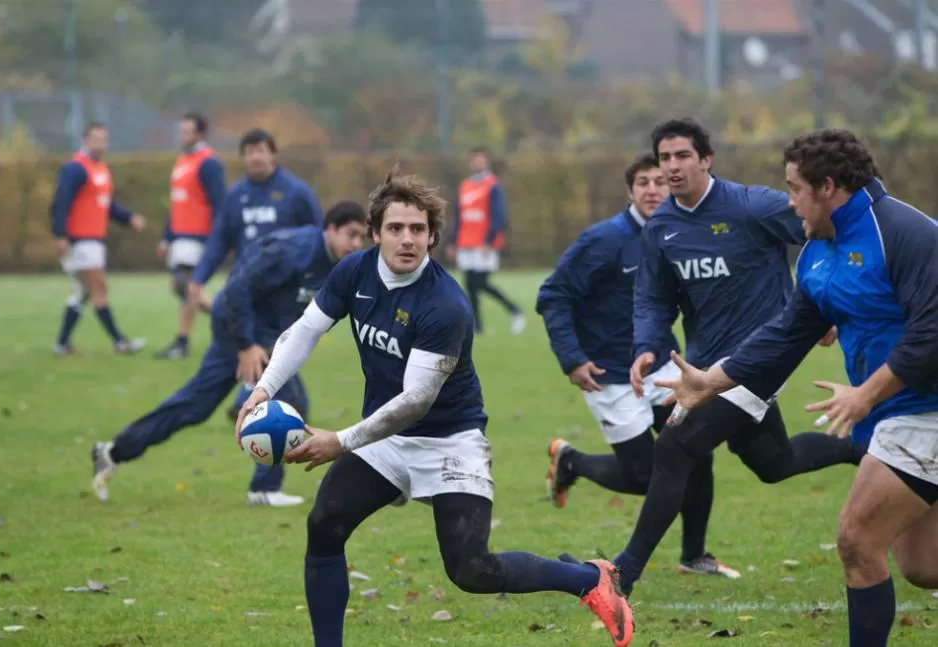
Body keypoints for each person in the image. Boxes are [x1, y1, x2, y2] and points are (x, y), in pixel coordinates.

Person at [237, 168, 635, 647]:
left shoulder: (446, 304)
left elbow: (415, 402)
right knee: (325, 525)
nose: (407, 239)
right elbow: (304, 330)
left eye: (418, 230)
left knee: (471, 570)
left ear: (433, 237)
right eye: (396, 228)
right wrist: (264, 389)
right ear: (375, 232)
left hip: (449, 442)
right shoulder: (353, 272)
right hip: (383, 439)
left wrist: (339, 442)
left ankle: (589, 580)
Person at [654, 128, 938, 647]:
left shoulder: (903, 233)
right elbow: (785, 335)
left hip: (926, 410)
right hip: (896, 414)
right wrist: (711, 382)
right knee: (923, 567)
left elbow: (930, 336)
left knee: (856, 539)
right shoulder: (815, 251)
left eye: (793, 189)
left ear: (827, 186)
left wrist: (865, 394)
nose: (789, 202)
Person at [596, 118, 864, 608]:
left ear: (705, 159)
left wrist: (824, 304)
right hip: (704, 368)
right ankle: (864, 447)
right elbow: (655, 300)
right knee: (774, 463)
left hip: (760, 359)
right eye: (664, 158)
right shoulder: (661, 229)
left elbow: (823, 231)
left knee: (675, 449)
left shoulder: (752, 205)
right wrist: (646, 347)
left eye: (681, 156)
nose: (672, 167)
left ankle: (621, 575)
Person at [536, 152, 737, 579]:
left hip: (663, 366)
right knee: (649, 477)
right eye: (643, 182)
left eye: (660, 181)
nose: (652, 189)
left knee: (696, 452)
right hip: (609, 377)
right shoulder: (602, 240)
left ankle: (694, 554)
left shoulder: (679, 234)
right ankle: (572, 462)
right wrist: (571, 359)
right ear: (630, 191)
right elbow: (553, 296)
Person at [90, 202, 367, 507]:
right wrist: (246, 345)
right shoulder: (291, 252)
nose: (356, 244)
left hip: (264, 337)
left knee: (195, 406)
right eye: (351, 235)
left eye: (361, 238)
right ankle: (264, 489)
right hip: (238, 330)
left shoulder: (338, 264)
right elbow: (237, 290)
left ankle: (111, 452)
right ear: (330, 229)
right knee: (288, 401)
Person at [186, 127, 324, 420]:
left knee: (273, 349)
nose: (255, 157)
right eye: (249, 152)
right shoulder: (236, 196)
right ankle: (250, 398)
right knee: (253, 348)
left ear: (273, 154)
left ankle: (248, 397)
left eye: (261, 150)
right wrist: (198, 278)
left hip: (285, 296)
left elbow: (321, 237)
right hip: (245, 291)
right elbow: (219, 241)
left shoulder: (296, 193)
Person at [50, 122, 147, 356]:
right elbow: (60, 202)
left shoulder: (100, 169)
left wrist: (128, 218)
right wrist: (60, 234)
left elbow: (106, 205)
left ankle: (61, 343)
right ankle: (119, 341)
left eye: (104, 139)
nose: (100, 144)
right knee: (99, 288)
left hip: (94, 239)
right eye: (95, 138)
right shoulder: (75, 168)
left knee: (83, 293)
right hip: (80, 239)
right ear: (84, 140)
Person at [153, 112, 227, 359]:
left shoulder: (209, 163)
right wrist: (167, 237)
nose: (182, 136)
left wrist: (217, 240)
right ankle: (231, 319)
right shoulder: (182, 161)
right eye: (181, 131)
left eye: (188, 131)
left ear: (201, 134)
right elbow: (178, 204)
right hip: (181, 237)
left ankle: (182, 342)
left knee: (187, 287)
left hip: (199, 237)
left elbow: (220, 204)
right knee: (182, 288)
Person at [445, 146, 525, 335]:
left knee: (480, 282)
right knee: (469, 284)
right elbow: (459, 216)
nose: (476, 162)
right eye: (474, 159)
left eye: (480, 159)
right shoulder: (465, 186)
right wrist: (452, 241)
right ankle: (477, 325)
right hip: (466, 242)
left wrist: (488, 240)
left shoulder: (493, 185)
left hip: (484, 244)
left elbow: (499, 215)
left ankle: (514, 310)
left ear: (487, 161)